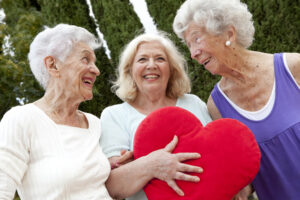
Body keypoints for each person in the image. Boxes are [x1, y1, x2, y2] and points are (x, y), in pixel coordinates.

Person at [173, 0, 300, 200]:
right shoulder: (217, 105)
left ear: (229, 34)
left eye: (197, 39)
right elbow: (245, 173)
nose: (193, 53)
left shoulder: (293, 67)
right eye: (189, 45)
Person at [0, 24, 113, 199]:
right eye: (85, 59)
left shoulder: (95, 123)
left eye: (95, 63)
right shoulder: (21, 119)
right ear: (52, 65)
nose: (96, 70)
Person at [100, 32, 212, 200]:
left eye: (160, 59)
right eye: (142, 59)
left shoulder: (193, 103)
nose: (151, 65)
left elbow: (216, 150)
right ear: (129, 70)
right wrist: (152, 165)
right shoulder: (114, 115)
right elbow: (114, 186)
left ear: (172, 69)